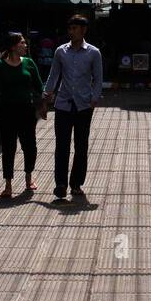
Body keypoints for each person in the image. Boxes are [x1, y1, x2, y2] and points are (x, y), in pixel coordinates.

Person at [43, 14, 103, 201]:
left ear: (83, 30)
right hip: (63, 105)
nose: (71, 32)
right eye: (69, 28)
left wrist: (94, 98)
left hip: (84, 105)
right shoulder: (61, 51)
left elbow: (98, 78)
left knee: (81, 146)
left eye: (75, 28)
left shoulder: (94, 52)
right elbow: (54, 75)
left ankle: (76, 183)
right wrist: (47, 95)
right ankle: (60, 184)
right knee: (62, 145)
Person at [0, 32, 45, 198]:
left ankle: (28, 177)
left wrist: (42, 105)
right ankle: (8, 185)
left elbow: (39, 86)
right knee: (8, 148)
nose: (25, 46)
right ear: (13, 46)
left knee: (30, 147)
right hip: (7, 112)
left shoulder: (29, 63)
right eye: (22, 43)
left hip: (26, 112)